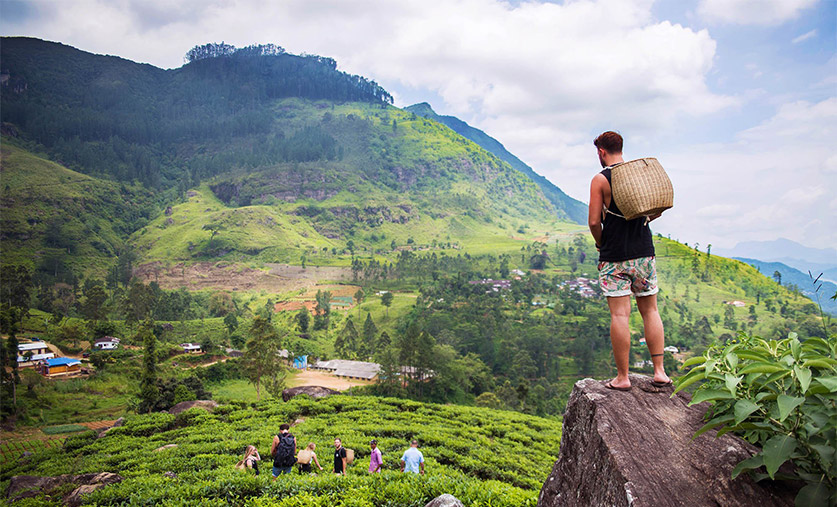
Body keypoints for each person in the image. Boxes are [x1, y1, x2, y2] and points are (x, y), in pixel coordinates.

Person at [588, 131, 672, 391]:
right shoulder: (639, 174)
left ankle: (623, 378)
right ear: (621, 148)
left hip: (614, 256)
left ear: (601, 151)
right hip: (643, 252)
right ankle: (659, 372)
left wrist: (601, 242)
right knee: (650, 310)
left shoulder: (601, 179)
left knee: (620, 315)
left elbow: (593, 221)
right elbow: (656, 209)